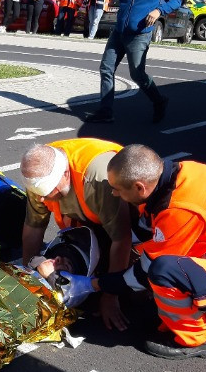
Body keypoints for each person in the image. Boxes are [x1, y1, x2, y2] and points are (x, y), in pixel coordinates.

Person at [57, 145, 206, 359]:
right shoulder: (177, 175)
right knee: (159, 262)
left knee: (164, 271)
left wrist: (93, 285)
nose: (115, 195)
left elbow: (144, 272)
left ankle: (198, 339)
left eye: (117, 189)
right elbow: (144, 231)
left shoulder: (181, 208)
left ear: (140, 186)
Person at [19, 138, 136, 330]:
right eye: (36, 192)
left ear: (65, 174)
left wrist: (110, 296)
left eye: (46, 191)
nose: (40, 198)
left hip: (129, 219)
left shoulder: (99, 178)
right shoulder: (39, 176)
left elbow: (121, 238)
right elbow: (34, 226)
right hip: (87, 216)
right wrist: (27, 276)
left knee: (135, 294)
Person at [85, 0, 180, 125]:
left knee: (137, 73)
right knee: (106, 68)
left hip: (139, 34)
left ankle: (159, 101)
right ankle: (106, 111)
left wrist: (159, 10)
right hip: (119, 32)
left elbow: (175, 0)